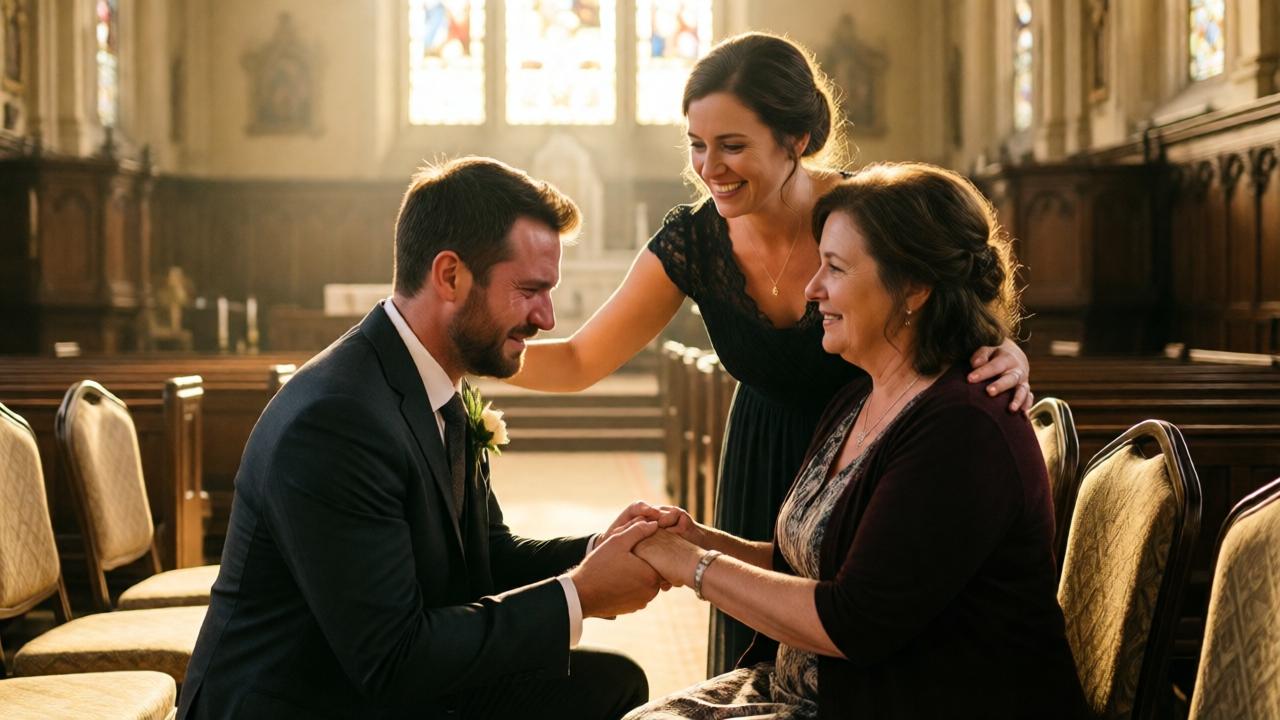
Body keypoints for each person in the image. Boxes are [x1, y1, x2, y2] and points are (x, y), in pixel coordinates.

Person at [507, 32, 1036, 675]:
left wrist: (1003, 349)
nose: (710, 167)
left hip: (883, 452)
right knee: (759, 657)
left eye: (733, 146)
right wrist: (468, 348)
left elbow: (942, 296)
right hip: (768, 457)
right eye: (697, 146)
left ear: (797, 141)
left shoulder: (866, 219)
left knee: (853, 644)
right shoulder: (696, 240)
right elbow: (581, 358)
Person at [179, 157, 667, 720]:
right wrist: (579, 595)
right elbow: (393, 659)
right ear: (451, 276)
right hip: (308, 698)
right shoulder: (337, 420)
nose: (548, 318)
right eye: (530, 290)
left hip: (373, 677)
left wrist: (601, 551)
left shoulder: (431, 384)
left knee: (610, 686)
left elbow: (488, 556)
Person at [624, 163, 1085, 719]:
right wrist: (705, 541)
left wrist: (690, 565)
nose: (812, 288)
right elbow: (829, 565)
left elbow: (852, 620)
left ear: (913, 287)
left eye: (835, 268)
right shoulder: (857, 398)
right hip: (819, 690)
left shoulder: (962, 429)